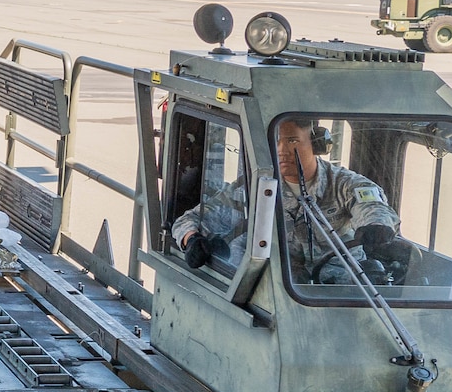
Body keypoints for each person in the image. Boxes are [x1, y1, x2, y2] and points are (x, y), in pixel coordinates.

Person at [169, 114, 408, 282]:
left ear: (316, 144)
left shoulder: (343, 184)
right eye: (276, 142)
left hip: (339, 293)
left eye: (292, 140)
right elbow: (188, 220)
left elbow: (372, 205)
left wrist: (376, 226)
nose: (282, 150)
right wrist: (191, 239)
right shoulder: (253, 188)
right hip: (279, 295)